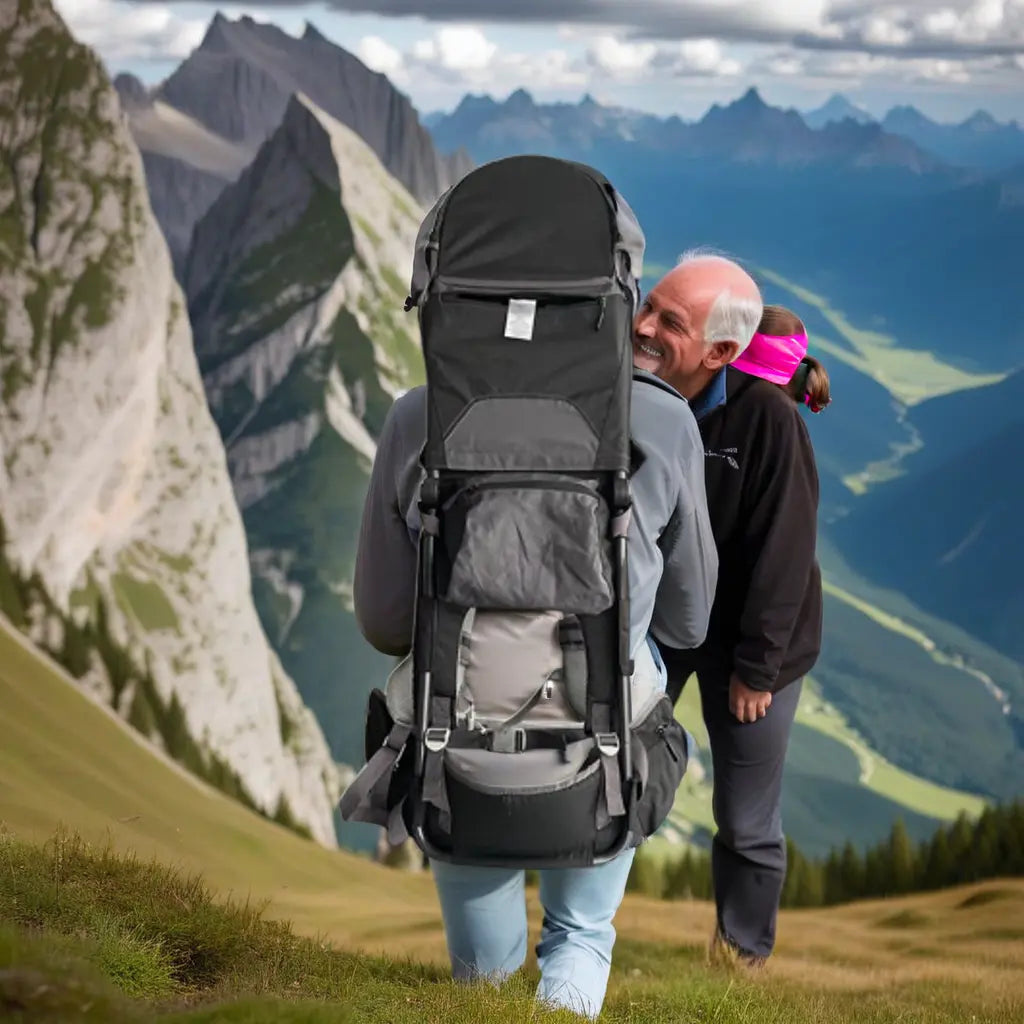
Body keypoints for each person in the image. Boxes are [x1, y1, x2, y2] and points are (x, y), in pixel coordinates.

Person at [353, 367, 718, 1011]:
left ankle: (487, 991)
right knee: (581, 931)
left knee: (484, 973)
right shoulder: (662, 418)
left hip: (453, 742)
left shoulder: (417, 414)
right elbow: (688, 625)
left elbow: (384, 622)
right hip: (601, 747)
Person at [635, 254, 824, 968]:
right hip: (664, 624)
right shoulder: (636, 389)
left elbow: (785, 552)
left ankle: (740, 961)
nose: (644, 327)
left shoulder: (767, 419)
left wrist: (757, 669)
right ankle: (580, 935)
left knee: (744, 817)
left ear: (719, 352)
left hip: (753, 643)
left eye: (669, 320)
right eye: (646, 306)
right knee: (613, 768)